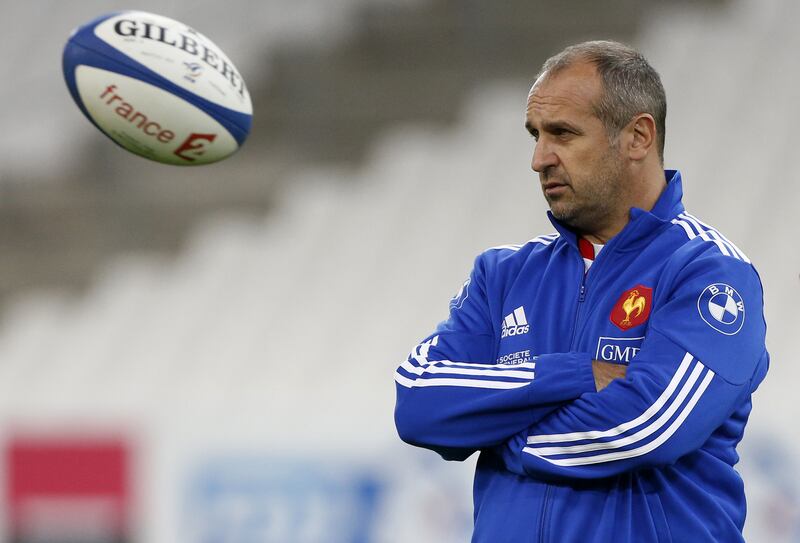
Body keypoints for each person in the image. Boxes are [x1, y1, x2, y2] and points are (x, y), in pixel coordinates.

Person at [394, 40, 768, 543]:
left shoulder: (709, 272)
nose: (538, 159)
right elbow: (419, 403)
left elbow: (642, 429)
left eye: (563, 134)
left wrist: (495, 433)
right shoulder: (502, 274)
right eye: (535, 135)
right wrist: (572, 373)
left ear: (637, 136)